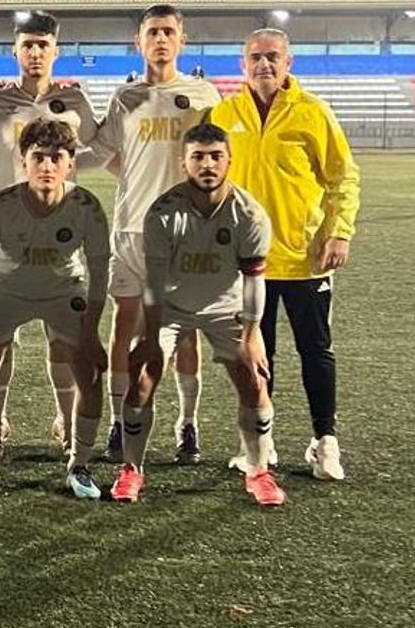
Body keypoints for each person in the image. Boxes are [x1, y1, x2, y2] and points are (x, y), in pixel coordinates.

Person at [209, 27, 360, 480]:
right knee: (257, 355)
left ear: (288, 63)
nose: (264, 64)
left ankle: (325, 441)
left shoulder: (312, 111)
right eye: (256, 57)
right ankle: (261, 442)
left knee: (316, 351)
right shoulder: (223, 113)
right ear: (243, 64)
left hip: (304, 258)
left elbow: (343, 177)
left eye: (273, 56)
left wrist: (339, 233)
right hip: (246, 262)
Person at [109, 123, 285, 506]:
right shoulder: (162, 213)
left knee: (254, 379)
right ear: (184, 163)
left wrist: (251, 337)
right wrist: (151, 338)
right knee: (141, 377)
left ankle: (258, 471)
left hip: (226, 307)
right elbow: (154, 283)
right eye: (198, 157)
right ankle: (131, 469)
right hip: (171, 306)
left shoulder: (249, 214)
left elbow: (254, 280)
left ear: (229, 160)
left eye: (216, 156)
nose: (208, 165)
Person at [95, 4, 222, 465]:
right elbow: (106, 152)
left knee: (184, 332)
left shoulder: (203, 95)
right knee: (124, 324)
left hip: (186, 233)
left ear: (182, 39)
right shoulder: (124, 97)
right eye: (153, 32)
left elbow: (215, 158)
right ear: (139, 41)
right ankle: (117, 420)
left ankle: (187, 422)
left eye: (169, 31)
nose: (161, 39)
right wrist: (135, 180)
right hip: (131, 227)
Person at [0, 9, 106, 459]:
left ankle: (67, 422)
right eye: (27, 45)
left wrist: (68, 172)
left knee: (62, 338)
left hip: (60, 232)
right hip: (9, 233)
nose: (35, 52)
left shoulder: (74, 101)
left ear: (56, 50)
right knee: (1, 339)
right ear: (15, 50)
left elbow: (101, 148)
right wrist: (5, 179)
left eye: (43, 45)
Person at [0, 118, 110, 499]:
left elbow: (99, 270)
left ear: (70, 163)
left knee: (90, 370)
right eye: (38, 157)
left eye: (56, 157)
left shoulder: (86, 206)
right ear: (23, 161)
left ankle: (79, 464)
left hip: (63, 289)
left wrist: (91, 332)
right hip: (7, 288)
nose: (46, 166)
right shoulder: (1, 206)